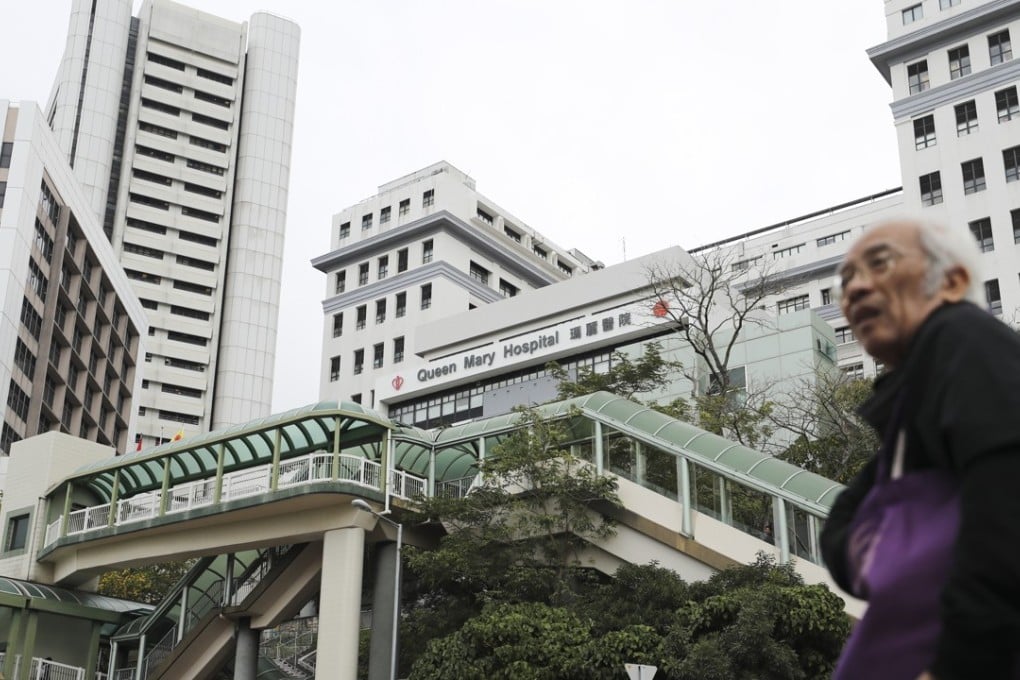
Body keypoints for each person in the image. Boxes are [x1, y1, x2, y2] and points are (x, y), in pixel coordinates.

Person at [820, 218, 1020, 679]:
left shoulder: (964, 336)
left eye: (880, 263)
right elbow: (842, 543)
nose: (855, 289)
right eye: (846, 281)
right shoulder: (915, 396)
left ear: (952, 281)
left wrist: (959, 666)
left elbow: (1009, 502)